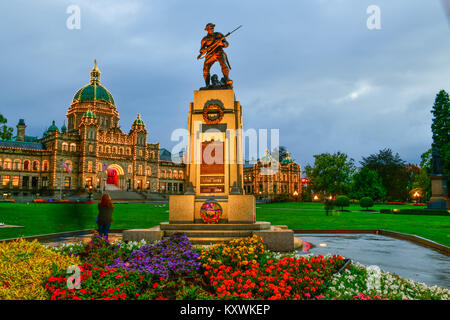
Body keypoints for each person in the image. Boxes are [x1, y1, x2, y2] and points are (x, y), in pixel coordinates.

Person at [200, 23, 231, 87]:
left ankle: (227, 78)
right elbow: (201, 50)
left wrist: (221, 43)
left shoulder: (219, 35)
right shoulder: (204, 39)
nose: (212, 29)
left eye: (213, 28)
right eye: (211, 28)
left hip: (219, 52)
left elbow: (226, 44)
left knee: (224, 65)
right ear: (207, 29)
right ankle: (207, 85)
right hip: (210, 55)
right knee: (205, 69)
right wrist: (203, 50)